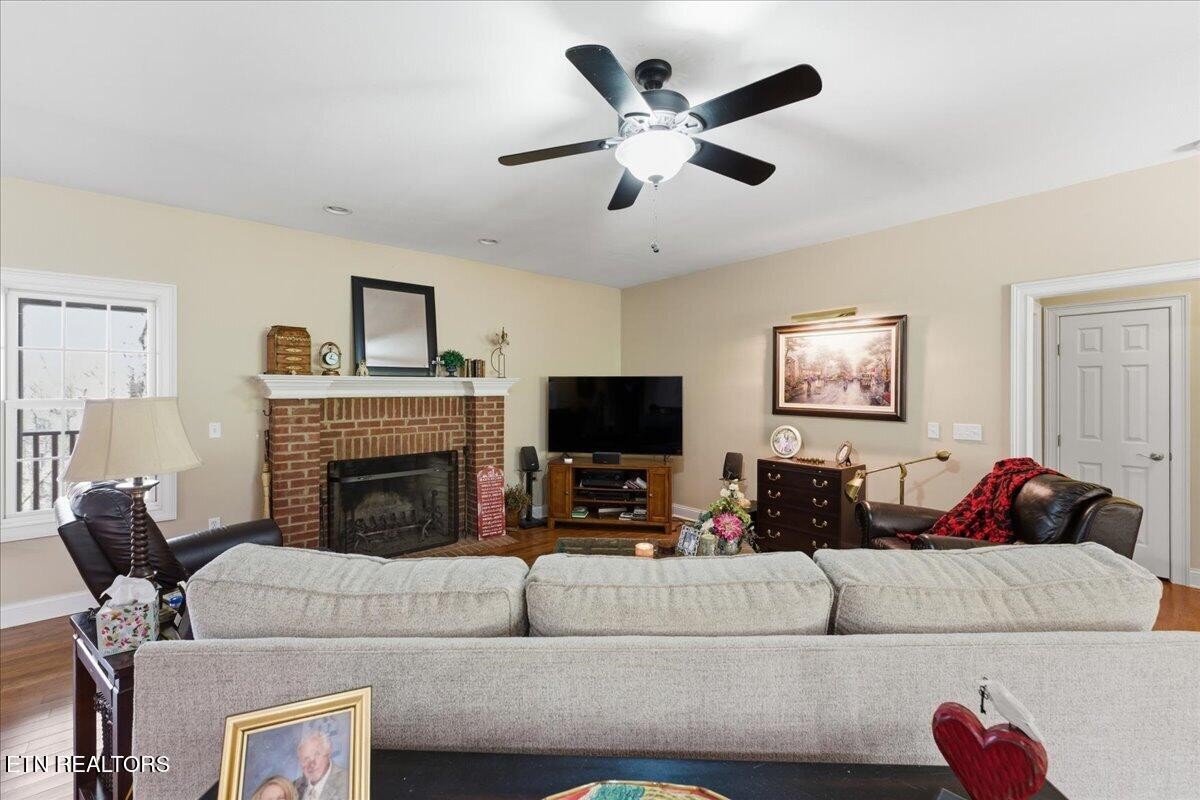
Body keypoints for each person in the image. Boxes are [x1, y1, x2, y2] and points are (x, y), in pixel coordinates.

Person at [293, 729, 349, 800]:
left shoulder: (347, 780)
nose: (311, 764)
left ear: (328, 753)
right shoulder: (294, 786)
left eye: (317, 754)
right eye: (306, 759)